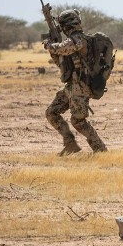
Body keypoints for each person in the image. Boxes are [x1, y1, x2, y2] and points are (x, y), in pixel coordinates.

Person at [44, 9, 107, 156]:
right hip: (72, 86)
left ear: (67, 25)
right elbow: (62, 63)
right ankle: (70, 144)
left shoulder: (79, 39)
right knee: (51, 113)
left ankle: (101, 151)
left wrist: (50, 45)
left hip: (82, 87)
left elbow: (64, 49)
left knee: (78, 121)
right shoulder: (74, 39)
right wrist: (53, 49)